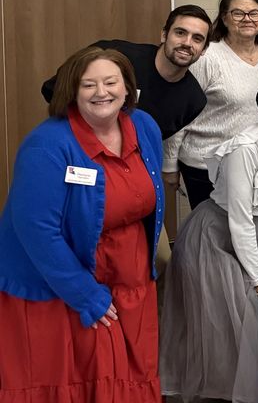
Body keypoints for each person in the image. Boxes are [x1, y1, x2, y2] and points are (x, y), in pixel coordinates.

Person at [0, 46, 164, 401]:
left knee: (129, 376)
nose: (101, 92)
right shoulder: (47, 145)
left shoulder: (144, 126)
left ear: (127, 88)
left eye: (110, 82)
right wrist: (83, 293)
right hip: (59, 280)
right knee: (74, 381)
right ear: (72, 91)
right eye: (88, 85)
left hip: (128, 276)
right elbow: (36, 230)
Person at [160, 68, 258, 403]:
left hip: (255, 235)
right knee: (242, 315)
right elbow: (240, 219)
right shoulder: (247, 147)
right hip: (215, 236)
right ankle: (227, 395)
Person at [164, 0, 258, 209]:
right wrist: (169, 165)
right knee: (214, 237)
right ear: (224, 19)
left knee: (252, 233)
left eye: (254, 13)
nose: (247, 19)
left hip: (256, 163)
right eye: (238, 13)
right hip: (207, 166)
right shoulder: (208, 58)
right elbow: (180, 112)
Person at [40, 4, 211, 140]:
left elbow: (150, 141)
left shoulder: (193, 101)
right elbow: (53, 90)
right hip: (77, 149)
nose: (187, 43)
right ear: (164, 35)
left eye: (197, 39)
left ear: (203, 49)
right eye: (180, 33)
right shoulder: (114, 56)